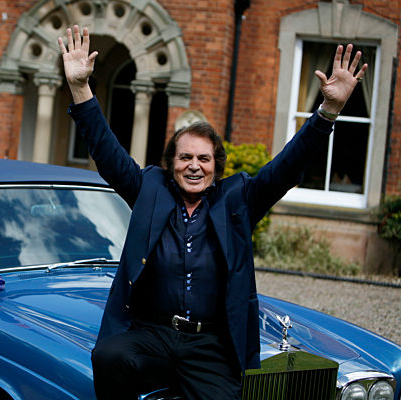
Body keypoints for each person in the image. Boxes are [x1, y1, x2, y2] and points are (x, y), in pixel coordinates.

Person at [58, 25, 367, 400]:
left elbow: (287, 167)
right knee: (108, 356)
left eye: (203, 158)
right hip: (153, 336)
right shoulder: (150, 190)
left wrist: (328, 111)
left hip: (209, 346)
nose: (194, 165)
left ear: (216, 166)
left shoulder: (238, 200)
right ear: (171, 163)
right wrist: (80, 88)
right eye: (185, 157)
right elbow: (107, 153)